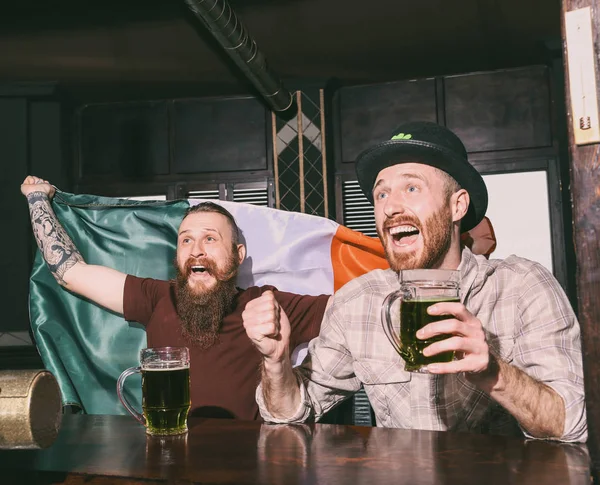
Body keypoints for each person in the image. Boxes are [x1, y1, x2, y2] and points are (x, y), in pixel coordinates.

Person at [244, 121, 587, 442]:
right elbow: (292, 413)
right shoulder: (357, 300)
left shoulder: (522, 286)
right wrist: (276, 363)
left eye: (411, 187)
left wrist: (493, 371)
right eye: (381, 194)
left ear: (457, 206)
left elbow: (571, 424)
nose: (391, 206)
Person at [21, 176, 330, 421]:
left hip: (247, 466)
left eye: (210, 238)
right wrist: (37, 199)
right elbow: (70, 273)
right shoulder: (157, 297)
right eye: (186, 240)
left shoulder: (266, 304)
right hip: (165, 459)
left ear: (238, 256)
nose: (196, 250)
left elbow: (353, 310)